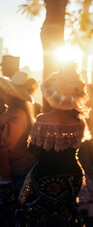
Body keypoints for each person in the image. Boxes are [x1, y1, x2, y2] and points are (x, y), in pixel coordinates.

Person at [17, 66, 91, 226]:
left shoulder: (43, 119)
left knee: (41, 215)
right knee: (67, 213)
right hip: (73, 175)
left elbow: (34, 151)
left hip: (46, 174)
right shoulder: (79, 121)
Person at [0, 71, 38, 226]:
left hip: (15, 170)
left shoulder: (17, 115)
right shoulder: (14, 113)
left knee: (14, 214)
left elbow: (6, 145)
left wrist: (5, 176)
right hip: (14, 169)